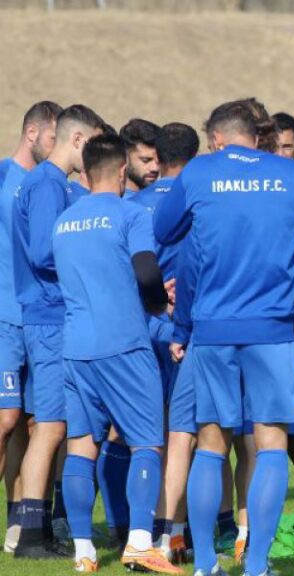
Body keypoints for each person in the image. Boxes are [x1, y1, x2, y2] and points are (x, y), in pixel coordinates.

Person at [153, 100, 294, 576]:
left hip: (213, 331)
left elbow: (166, 233)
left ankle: (206, 564)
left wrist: (183, 326)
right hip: (274, 332)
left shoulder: (200, 172)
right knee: (270, 446)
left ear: (216, 138)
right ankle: (257, 565)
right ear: (258, 136)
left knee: (210, 445)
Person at [51, 133, 181, 574]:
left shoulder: (64, 222)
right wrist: (159, 305)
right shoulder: (130, 213)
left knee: (81, 447)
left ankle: (84, 552)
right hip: (123, 344)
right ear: (123, 171)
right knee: (147, 442)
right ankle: (141, 544)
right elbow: (146, 271)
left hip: (76, 348)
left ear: (87, 173)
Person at [12, 104, 104, 559]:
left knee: (54, 425)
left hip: (49, 317)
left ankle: (42, 527)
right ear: (78, 140)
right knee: (49, 427)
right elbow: (44, 252)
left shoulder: (53, 183)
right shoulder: (48, 184)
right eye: (95, 145)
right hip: (49, 318)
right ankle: (31, 535)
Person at [129, 122, 200, 560]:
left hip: (144, 326)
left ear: (159, 156)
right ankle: (173, 533)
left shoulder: (133, 204)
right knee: (184, 434)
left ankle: (138, 528)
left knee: (144, 435)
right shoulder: (197, 202)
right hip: (185, 329)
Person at [0, 100, 62, 553]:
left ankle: (23, 521)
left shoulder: (53, 186)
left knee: (39, 421)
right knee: (6, 420)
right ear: (32, 134)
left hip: (41, 320)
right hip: (4, 318)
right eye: (53, 138)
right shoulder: (4, 175)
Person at [119, 118, 160, 199]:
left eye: (159, 161)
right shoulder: (114, 202)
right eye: (146, 160)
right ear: (124, 157)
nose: (155, 168)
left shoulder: (165, 199)